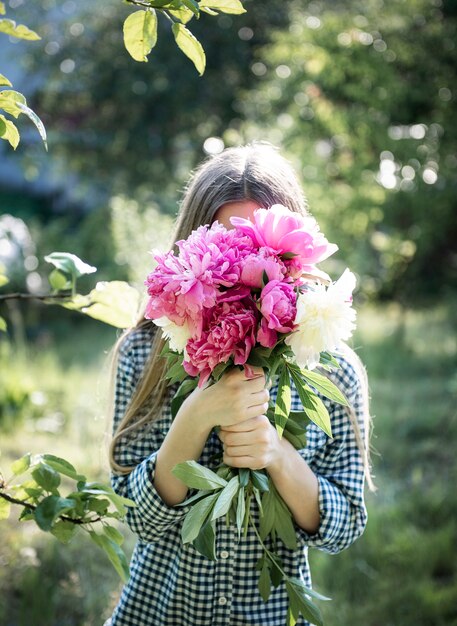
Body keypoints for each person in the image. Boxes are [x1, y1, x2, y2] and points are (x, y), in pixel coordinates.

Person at [105, 143, 374, 626]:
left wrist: (276, 454)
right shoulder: (144, 355)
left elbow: (343, 526)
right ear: (191, 251)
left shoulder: (332, 367)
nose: (241, 277)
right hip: (158, 612)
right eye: (225, 251)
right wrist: (195, 418)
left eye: (258, 255)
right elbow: (136, 517)